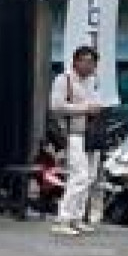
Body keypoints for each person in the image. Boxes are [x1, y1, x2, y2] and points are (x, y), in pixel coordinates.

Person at [48, 46, 104, 236]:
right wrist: (84, 108)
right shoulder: (64, 79)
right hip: (73, 133)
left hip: (91, 134)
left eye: (93, 62)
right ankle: (63, 219)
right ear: (76, 61)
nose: (90, 66)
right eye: (87, 61)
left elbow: (94, 102)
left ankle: (77, 218)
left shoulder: (92, 81)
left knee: (89, 177)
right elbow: (56, 106)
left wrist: (96, 107)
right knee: (78, 175)